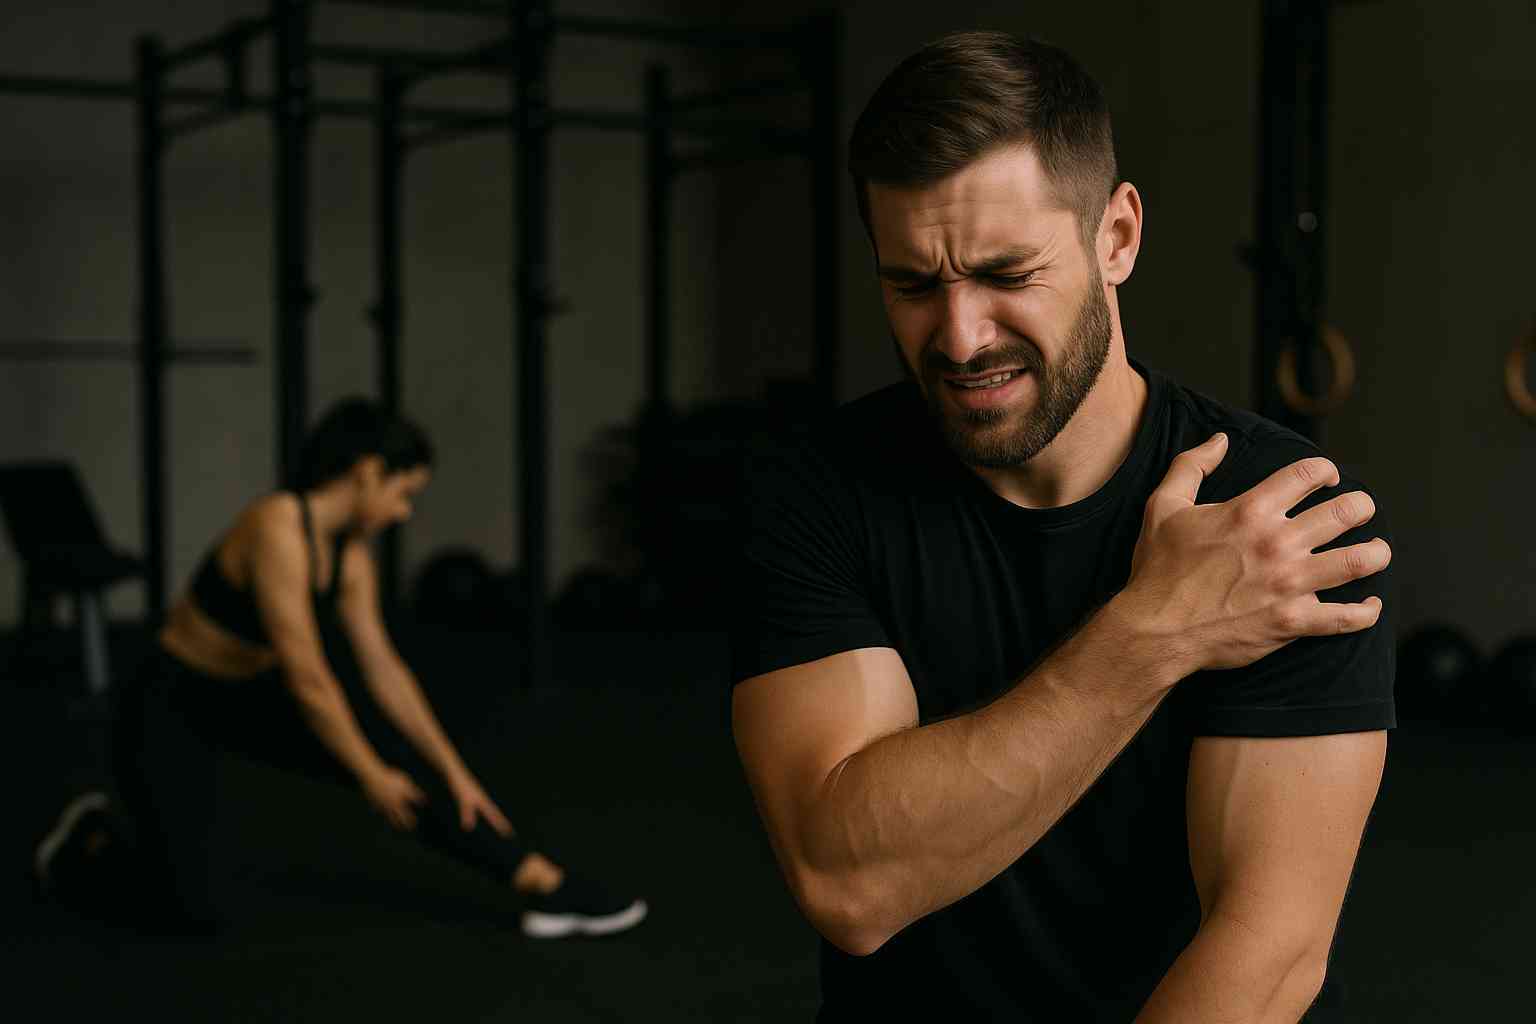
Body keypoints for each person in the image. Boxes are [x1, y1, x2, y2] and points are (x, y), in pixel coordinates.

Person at [730, 31, 1394, 1023]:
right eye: (913, 284)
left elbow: (1267, 953)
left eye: (1006, 272)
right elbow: (848, 884)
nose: (958, 336)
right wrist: (1152, 631)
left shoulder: (1275, 518)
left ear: (1117, 236)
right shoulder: (817, 493)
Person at [33, 398, 646, 940]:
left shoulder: (350, 559)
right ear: (366, 472)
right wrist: (366, 774)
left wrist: (454, 772)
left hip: (246, 693)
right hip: (168, 701)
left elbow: (386, 672)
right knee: (191, 911)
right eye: (404, 492)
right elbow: (307, 676)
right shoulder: (276, 527)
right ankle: (90, 845)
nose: (405, 512)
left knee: (407, 767)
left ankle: (543, 882)